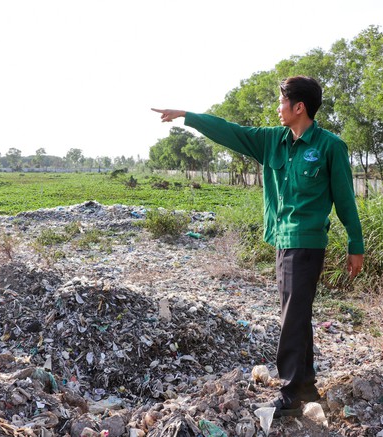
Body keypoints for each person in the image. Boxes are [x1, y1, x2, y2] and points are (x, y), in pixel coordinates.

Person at [152, 75, 364, 418]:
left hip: (307, 242)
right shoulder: (272, 142)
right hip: (283, 241)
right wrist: (188, 117)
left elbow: (345, 199)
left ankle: (291, 393)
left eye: (282, 103)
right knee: (296, 315)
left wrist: (356, 244)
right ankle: (306, 385)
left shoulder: (329, 146)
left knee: (291, 318)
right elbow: (231, 130)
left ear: (299, 107)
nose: (278, 109)